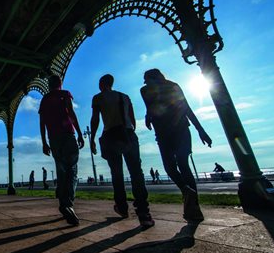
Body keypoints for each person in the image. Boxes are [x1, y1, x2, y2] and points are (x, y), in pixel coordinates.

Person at [141, 69, 212, 221]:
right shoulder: (170, 86)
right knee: (181, 165)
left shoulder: (150, 89)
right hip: (177, 130)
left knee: (173, 166)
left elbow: (184, 108)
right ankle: (192, 200)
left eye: (147, 80)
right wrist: (200, 130)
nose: (146, 83)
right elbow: (184, 108)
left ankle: (189, 196)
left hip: (168, 132)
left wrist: (201, 130)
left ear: (154, 78)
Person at [90, 74, 154, 228]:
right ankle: (143, 212)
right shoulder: (125, 97)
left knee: (117, 174)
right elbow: (132, 120)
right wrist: (129, 133)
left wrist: (92, 138)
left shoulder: (97, 98)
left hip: (111, 134)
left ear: (101, 84)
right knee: (136, 172)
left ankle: (122, 207)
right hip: (128, 134)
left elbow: (95, 119)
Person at [39, 74, 84, 225]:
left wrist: (45, 142)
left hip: (53, 139)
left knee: (61, 170)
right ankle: (67, 204)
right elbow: (71, 113)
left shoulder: (44, 100)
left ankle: (63, 202)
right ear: (60, 83)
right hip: (67, 135)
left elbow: (42, 122)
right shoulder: (65, 94)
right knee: (72, 170)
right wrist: (79, 133)